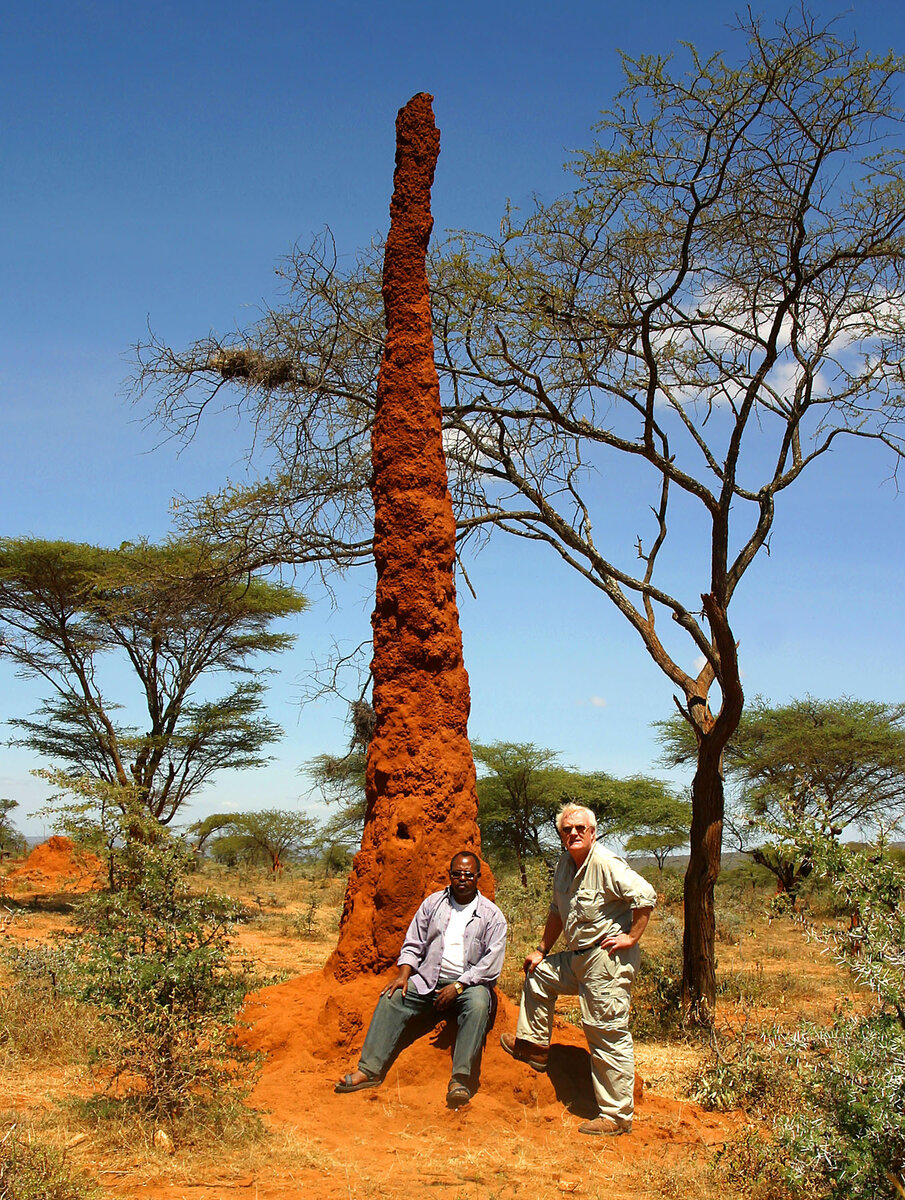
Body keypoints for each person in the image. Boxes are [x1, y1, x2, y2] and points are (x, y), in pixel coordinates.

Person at [501, 804, 656, 1136]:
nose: (573, 833)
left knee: (605, 1032)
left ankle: (616, 1116)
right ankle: (536, 1048)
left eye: (579, 829)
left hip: (606, 960)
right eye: (566, 830)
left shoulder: (605, 863)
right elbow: (557, 910)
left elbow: (645, 896)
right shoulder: (564, 865)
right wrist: (542, 949)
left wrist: (631, 937)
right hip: (577, 958)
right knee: (539, 975)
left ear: (593, 832)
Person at [335, 850, 507, 1108]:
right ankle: (368, 1070)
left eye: (468, 874)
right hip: (429, 979)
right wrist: (404, 975)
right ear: (449, 876)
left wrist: (458, 986)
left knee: (480, 1005)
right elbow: (413, 943)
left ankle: (460, 1079)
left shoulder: (492, 915)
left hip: (469, 985)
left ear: (478, 878)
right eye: (457, 874)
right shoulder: (432, 904)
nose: (462, 878)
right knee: (391, 997)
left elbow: (490, 964)